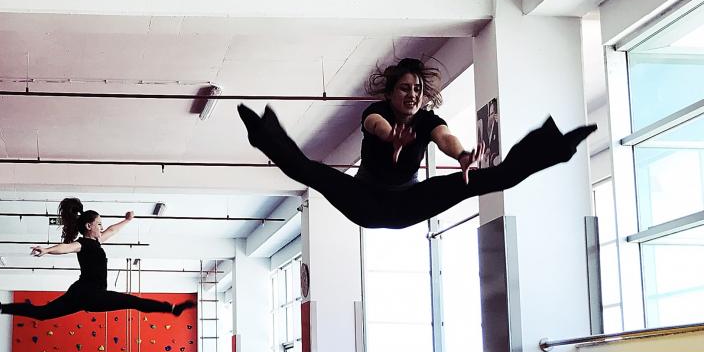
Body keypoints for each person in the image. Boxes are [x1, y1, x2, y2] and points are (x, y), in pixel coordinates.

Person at [237, 57, 597, 230]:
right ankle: (263, 134)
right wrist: (390, 136)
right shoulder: (377, 112)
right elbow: (376, 125)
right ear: (391, 93)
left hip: (407, 202)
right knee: (310, 171)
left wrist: (461, 154)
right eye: (405, 89)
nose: (412, 95)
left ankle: (557, 147)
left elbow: (445, 137)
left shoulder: (427, 120)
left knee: (496, 178)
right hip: (365, 200)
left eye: (418, 90)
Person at [0, 198, 196, 320]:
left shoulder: (97, 241)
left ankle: (0, 308)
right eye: (99, 224)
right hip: (89, 293)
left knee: (43, 314)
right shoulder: (83, 243)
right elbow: (66, 248)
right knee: (132, 301)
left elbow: (112, 230)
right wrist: (47, 250)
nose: (102, 227)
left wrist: (127, 221)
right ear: (89, 226)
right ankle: (171, 308)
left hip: (87, 296)